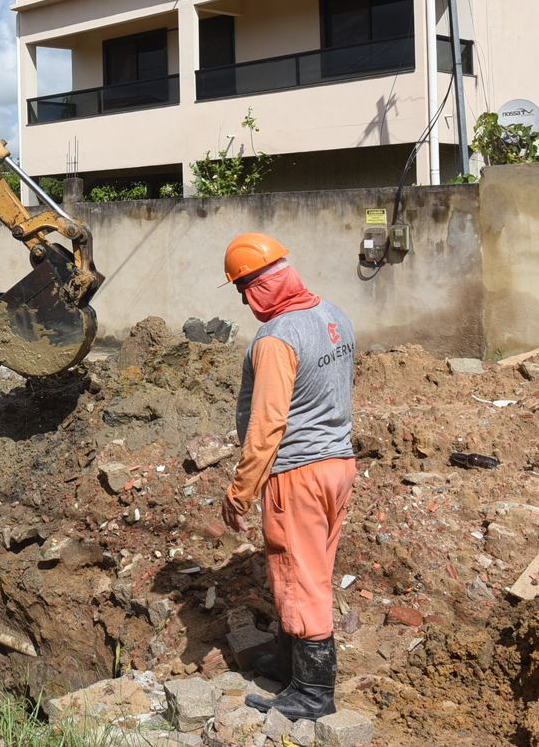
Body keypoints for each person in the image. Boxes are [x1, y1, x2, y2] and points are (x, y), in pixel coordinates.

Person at [219, 232, 356, 722]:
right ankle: (288, 659)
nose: (244, 302)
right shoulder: (333, 316)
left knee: (300, 577)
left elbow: (268, 424)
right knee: (311, 569)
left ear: (255, 288)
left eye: (242, 291)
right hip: (338, 466)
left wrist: (241, 491)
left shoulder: (277, 338)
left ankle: (314, 691)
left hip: (297, 474)